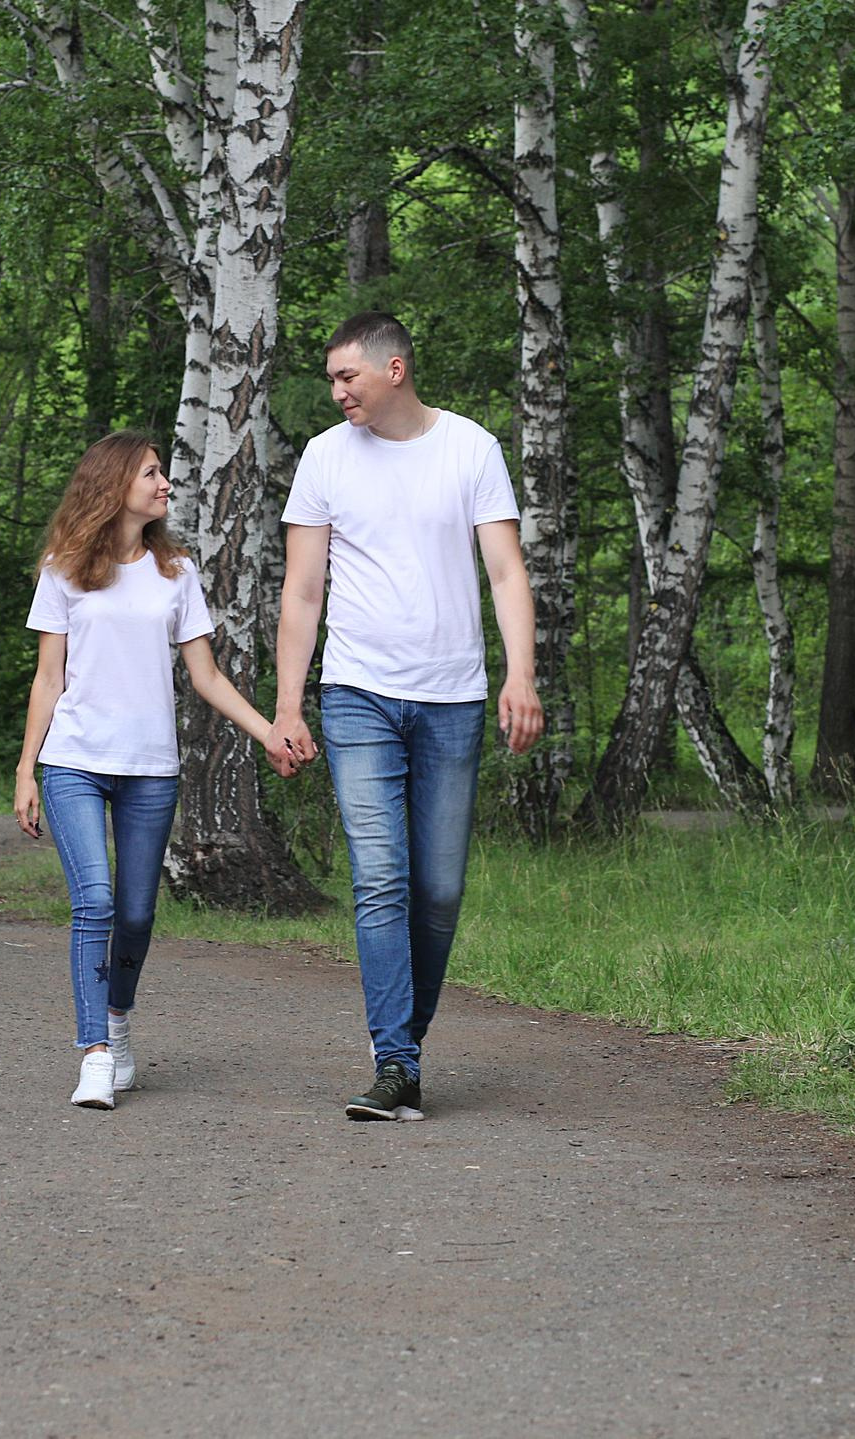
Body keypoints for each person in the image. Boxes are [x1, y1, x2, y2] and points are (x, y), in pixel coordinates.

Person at [270, 311, 543, 1122]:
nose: (336, 391)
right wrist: (289, 702)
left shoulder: (470, 448)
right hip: (356, 693)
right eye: (330, 380)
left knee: (439, 889)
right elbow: (303, 590)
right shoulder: (324, 457)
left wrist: (519, 675)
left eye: (346, 376)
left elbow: (504, 569)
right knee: (381, 877)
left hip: (452, 697)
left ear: (394, 369)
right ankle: (395, 1060)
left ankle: (406, 1048)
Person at [15, 431, 287, 1111]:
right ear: (114, 484)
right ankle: (95, 1053)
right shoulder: (63, 568)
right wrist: (26, 770)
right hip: (73, 761)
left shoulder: (178, 573)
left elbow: (207, 676)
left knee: (136, 912)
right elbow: (48, 679)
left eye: (163, 474)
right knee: (95, 903)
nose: (165, 484)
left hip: (149, 769)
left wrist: (271, 732)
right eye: (152, 473)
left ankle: (118, 1019)